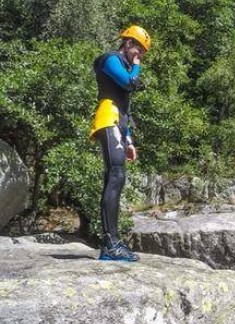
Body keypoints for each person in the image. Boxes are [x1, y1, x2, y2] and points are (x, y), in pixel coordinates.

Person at [89, 25, 151, 262]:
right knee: (116, 176)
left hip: (118, 123)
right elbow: (129, 83)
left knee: (115, 177)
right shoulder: (110, 59)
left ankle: (110, 243)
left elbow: (125, 107)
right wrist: (136, 65)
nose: (140, 55)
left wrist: (128, 140)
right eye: (138, 49)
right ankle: (111, 243)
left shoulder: (125, 64)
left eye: (143, 52)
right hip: (107, 119)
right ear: (127, 43)